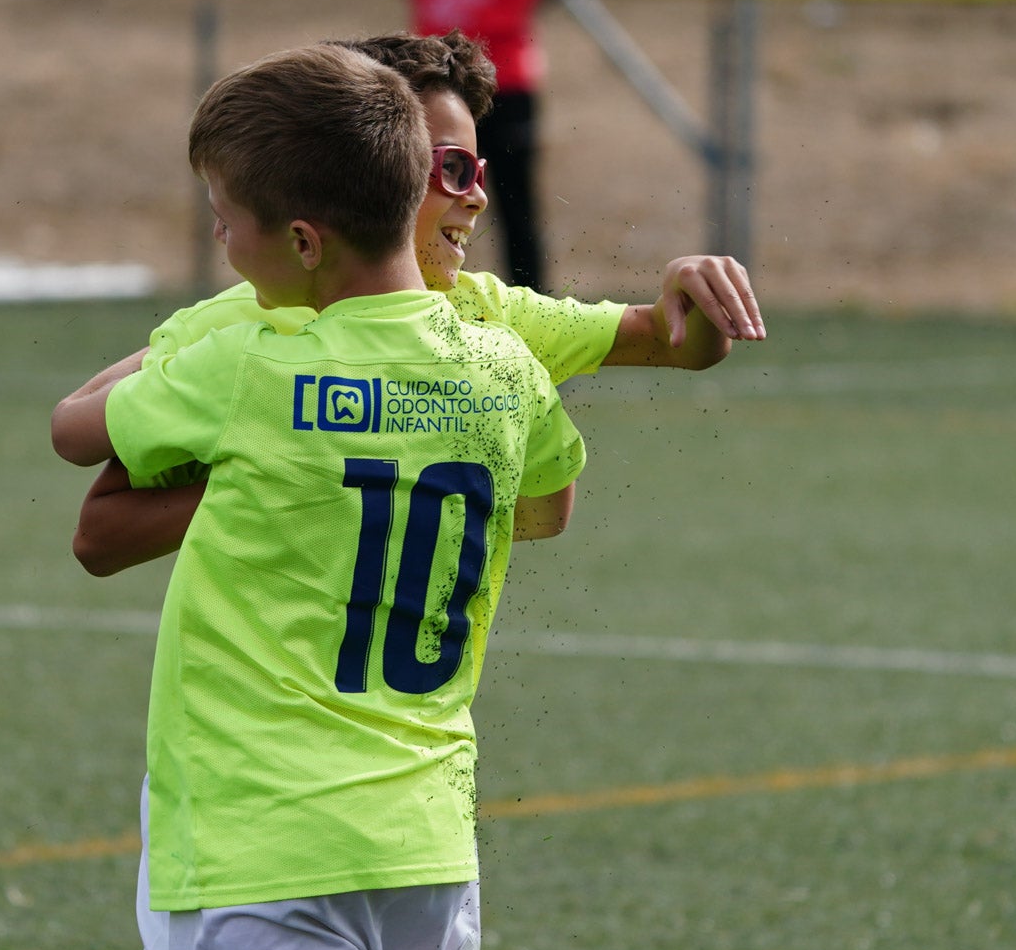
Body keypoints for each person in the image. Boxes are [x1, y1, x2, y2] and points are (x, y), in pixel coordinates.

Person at [51, 42, 586, 950]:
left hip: (258, 850)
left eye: (226, 222)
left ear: (302, 241)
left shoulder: (251, 361)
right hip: (424, 849)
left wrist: (214, 342)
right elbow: (543, 510)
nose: (222, 242)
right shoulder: (507, 367)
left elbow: (74, 433)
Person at [59, 30, 763, 578]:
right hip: (238, 745)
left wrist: (691, 285)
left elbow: (676, 347)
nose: (477, 196)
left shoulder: (494, 324)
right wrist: (301, 483)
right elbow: (98, 536)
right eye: (449, 168)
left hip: (409, 741)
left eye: (478, 171)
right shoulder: (240, 332)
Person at [362, 0, 631, 293]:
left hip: (504, 75)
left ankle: (530, 305)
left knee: (510, 204)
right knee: (412, 196)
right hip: (435, 77)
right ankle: (407, 293)